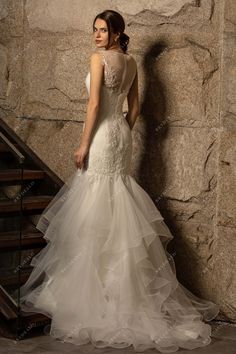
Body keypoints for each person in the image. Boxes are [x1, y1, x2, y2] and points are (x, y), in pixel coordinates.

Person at [19, 9, 220, 353]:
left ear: (116, 33)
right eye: (94, 29)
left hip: (100, 137)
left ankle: (94, 297)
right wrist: (121, 131)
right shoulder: (129, 63)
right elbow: (136, 107)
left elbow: (95, 103)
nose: (96, 35)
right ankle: (123, 293)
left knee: (97, 203)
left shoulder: (98, 60)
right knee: (116, 199)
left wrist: (84, 143)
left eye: (102, 30)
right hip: (120, 137)